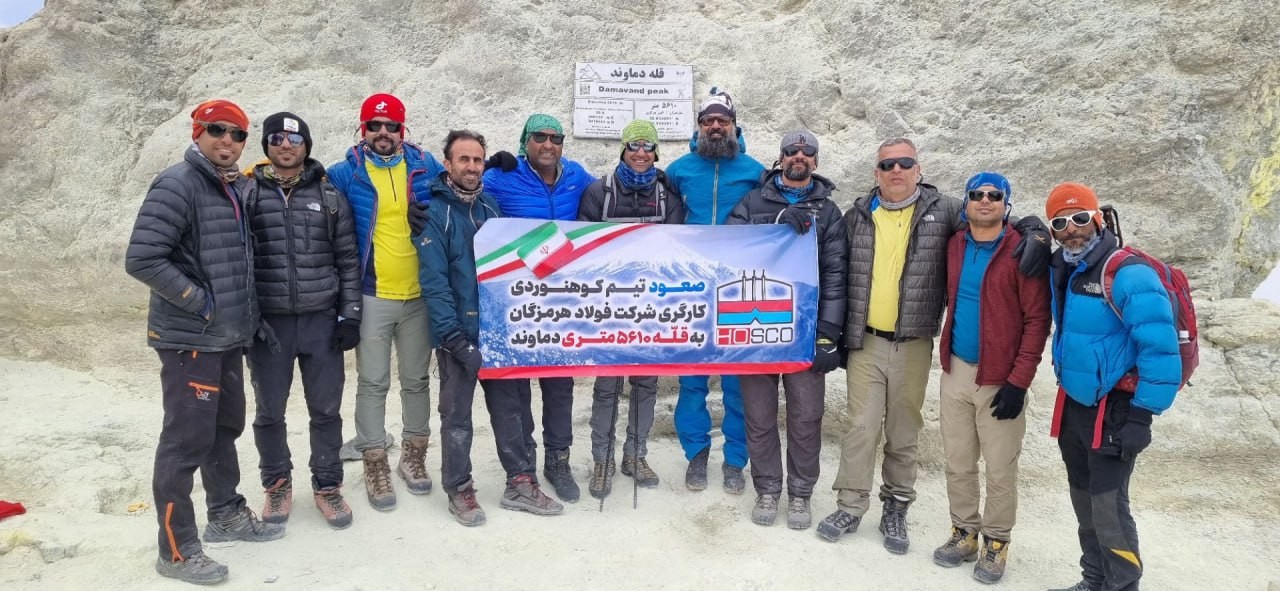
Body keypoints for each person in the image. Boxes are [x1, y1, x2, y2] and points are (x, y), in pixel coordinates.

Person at [818, 138, 1051, 554]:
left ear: (918, 169)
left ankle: (896, 506)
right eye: (887, 164)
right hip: (865, 340)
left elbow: (989, 220)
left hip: (913, 341)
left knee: (903, 428)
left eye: (904, 163)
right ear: (876, 173)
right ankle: (850, 505)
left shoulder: (943, 210)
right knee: (860, 427)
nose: (896, 170)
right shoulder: (858, 215)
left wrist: (1033, 229)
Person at [126, 99, 283, 585]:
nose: (227, 141)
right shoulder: (178, 184)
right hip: (191, 339)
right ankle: (176, 551)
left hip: (226, 338)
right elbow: (143, 258)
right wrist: (201, 303)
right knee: (184, 442)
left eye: (237, 134)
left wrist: (245, 318)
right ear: (197, 133)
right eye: (217, 130)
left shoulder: (231, 186)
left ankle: (226, 514)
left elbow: (236, 262)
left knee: (223, 429)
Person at [414, 129, 564, 526]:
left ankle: (521, 483)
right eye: (463, 159)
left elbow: (512, 266)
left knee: (512, 411)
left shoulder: (491, 209)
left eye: (477, 160)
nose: (471, 167)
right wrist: (453, 339)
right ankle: (459, 489)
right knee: (457, 418)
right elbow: (434, 283)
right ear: (448, 163)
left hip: (498, 333)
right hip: (458, 335)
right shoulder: (434, 213)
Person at [1043, 182, 1181, 591]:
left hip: (1116, 408)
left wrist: (1142, 416)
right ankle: (1094, 579)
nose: (1071, 228)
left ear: (1098, 219)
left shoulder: (1127, 273)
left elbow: (1160, 347)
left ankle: (1122, 585)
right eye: (1060, 222)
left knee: (1108, 505)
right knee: (1083, 498)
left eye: (1080, 217)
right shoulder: (1066, 267)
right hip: (1076, 402)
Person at [931, 172, 1051, 583]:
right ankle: (964, 532)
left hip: (1001, 377)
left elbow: (1037, 320)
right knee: (958, 460)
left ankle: (996, 542)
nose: (985, 200)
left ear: (1006, 204)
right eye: (977, 194)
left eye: (994, 195)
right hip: (957, 370)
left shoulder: (1023, 251)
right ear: (966, 202)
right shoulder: (955, 244)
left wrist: (1019, 382)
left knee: (1000, 468)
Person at [243, 112, 361, 530]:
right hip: (269, 325)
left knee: (326, 410)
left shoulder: (329, 195)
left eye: (295, 139)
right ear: (266, 145)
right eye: (277, 138)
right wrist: (245, 318)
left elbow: (348, 259)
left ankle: (328, 486)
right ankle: (276, 484)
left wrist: (350, 315)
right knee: (269, 412)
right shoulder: (247, 192)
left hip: (320, 321)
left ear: (306, 146)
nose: (286, 145)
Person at [327, 93, 443, 511]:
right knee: (373, 382)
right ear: (363, 129)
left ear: (402, 130)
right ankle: (374, 462)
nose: (382, 133)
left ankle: (413, 457)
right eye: (374, 126)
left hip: (419, 294)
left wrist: (501, 170)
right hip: (373, 294)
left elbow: (462, 183)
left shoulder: (425, 165)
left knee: (416, 380)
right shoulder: (345, 173)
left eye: (391, 126)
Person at [725, 130, 846, 530]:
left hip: (805, 330)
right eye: (792, 151)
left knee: (806, 417)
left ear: (815, 161)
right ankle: (767, 488)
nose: (799, 156)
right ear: (780, 158)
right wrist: (776, 223)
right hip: (757, 326)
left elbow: (836, 274)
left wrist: (828, 332)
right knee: (759, 416)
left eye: (807, 152)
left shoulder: (828, 211)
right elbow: (728, 249)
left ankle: (800, 493)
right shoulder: (753, 201)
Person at [481, 113, 593, 503]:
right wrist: (487, 165)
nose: (548, 145)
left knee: (559, 386)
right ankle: (524, 464)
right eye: (540, 137)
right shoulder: (502, 177)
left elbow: (606, 199)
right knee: (518, 387)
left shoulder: (577, 176)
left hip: (562, 302)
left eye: (555, 138)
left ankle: (558, 462)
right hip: (516, 299)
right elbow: (457, 186)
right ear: (525, 141)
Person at [576, 119, 686, 500]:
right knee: (607, 387)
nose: (641, 153)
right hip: (609, 306)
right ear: (623, 149)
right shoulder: (600, 192)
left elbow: (675, 248)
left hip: (653, 306)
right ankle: (602, 459)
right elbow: (582, 247)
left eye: (647, 146)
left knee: (645, 385)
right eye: (634, 145)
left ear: (656, 153)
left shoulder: (667, 196)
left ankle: (635, 455)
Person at [665, 88, 765, 494]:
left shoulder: (755, 172)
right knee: (692, 379)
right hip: (691, 289)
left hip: (738, 289)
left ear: (735, 125)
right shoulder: (678, 170)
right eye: (709, 120)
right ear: (699, 127)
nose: (716, 126)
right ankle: (697, 454)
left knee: (736, 382)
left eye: (723, 120)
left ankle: (736, 460)